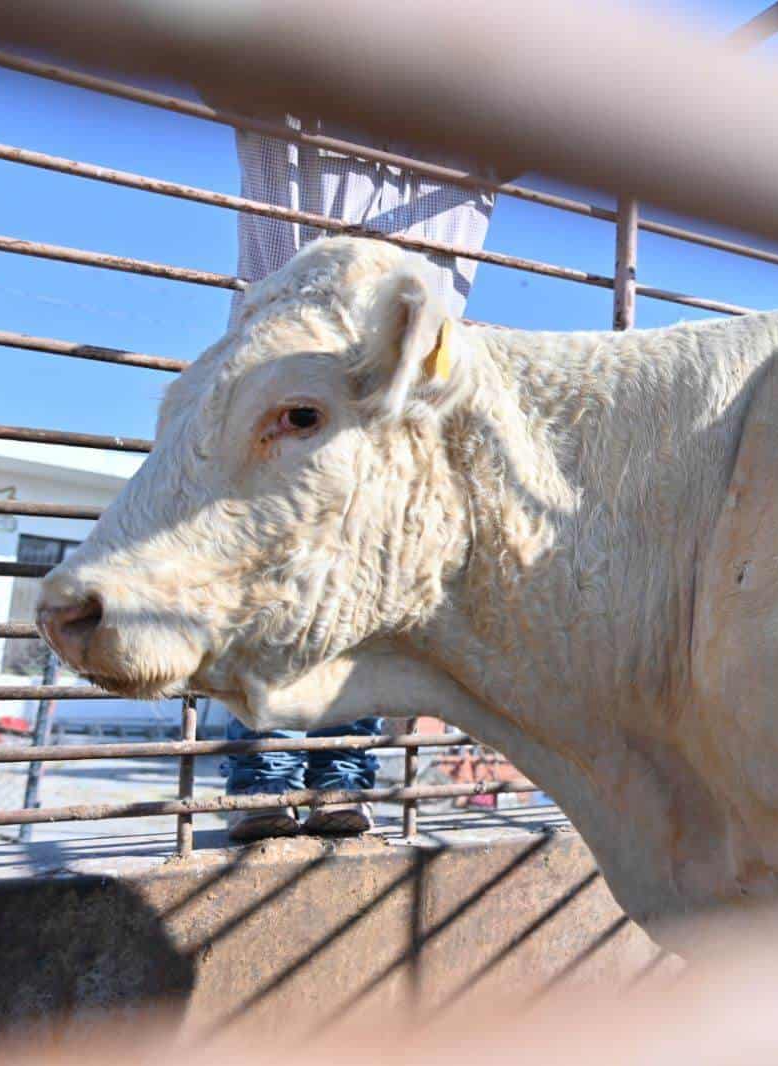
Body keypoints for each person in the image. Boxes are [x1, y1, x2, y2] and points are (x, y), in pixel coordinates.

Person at [218, 113, 497, 841]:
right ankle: (265, 783)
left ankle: (339, 781)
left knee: (365, 588)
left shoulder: (466, 141)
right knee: (272, 578)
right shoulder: (297, 108)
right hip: (290, 375)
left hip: (392, 398)